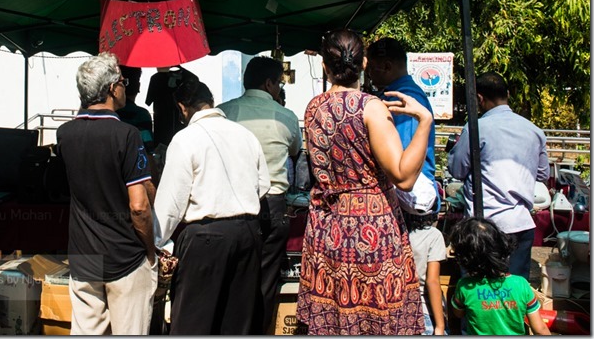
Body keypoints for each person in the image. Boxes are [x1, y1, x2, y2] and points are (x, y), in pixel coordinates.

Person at [296, 29, 433, 335]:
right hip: (371, 229)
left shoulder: (313, 107)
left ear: (325, 66)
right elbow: (404, 176)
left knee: (333, 314)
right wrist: (424, 121)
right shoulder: (371, 107)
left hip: (327, 229)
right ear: (364, 62)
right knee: (379, 317)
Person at [153, 75, 270, 335]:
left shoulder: (185, 138)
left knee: (194, 321)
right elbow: (264, 185)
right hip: (248, 233)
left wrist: (156, 240)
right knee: (238, 321)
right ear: (211, 102)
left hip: (205, 238)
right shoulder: (245, 134)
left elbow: (171, 201)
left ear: (182, 107)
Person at [55, 52, 156, 335]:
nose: (125, 86)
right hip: (124, 255)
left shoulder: (65, 134)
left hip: (83, 254)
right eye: (123, 81)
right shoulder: (126, 134)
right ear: (113, 88)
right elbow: (139, 207)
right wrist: (150, 251)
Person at [218, 56, 302, 332]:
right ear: (269, 83)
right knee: (266, 281)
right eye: (278, 83)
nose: (279, 88)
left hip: (229, 206)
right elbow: (294, 150)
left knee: (233, 278)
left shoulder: (223, 112)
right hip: (272, 206)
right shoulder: (286, 116)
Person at [447, 71, 549, 280]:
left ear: (480, 98)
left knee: (478, 294)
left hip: (483, 228)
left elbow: (457, 170)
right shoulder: (534, 130)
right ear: (508, 94)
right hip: (520, 224)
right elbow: (543, 173)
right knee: (514, 295)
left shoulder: (477, 128)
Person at [367, 37, 439, 209]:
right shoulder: (393, 94)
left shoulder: (403, 98)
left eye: (371, 67)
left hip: (409, 195)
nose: (368, 73)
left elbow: (403, 160)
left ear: (387, 67)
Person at [449, 217, 550, 335]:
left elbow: (458, 313)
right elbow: (540, 329)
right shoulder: (520, 284)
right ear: (501, 246)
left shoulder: (465, 287)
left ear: (466, 259)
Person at [401, 208, 447, 335]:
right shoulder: (433, 235)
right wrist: (440, 326)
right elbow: (432, 281)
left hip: (399, 313)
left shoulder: (392, 233)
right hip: (424, 311)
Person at [145, 66, 196, 148]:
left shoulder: (156, 79)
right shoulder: (191, 78)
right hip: (180, 130)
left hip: (163, 131)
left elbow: (148, 101)